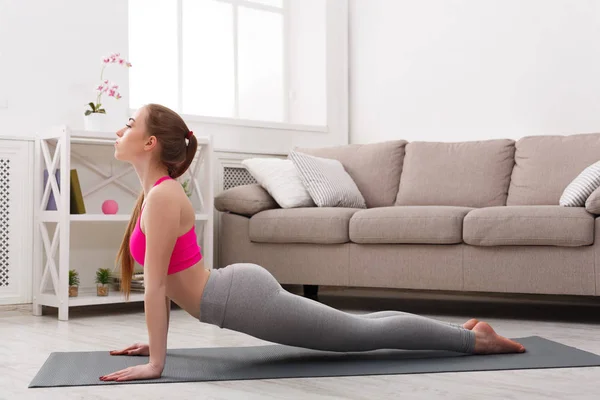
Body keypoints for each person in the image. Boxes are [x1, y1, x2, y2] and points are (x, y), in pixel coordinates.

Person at [99, 104, 525, 382]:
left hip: (239, 299)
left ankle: (476, 341)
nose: (121, 129)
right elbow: (167, 282)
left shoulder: (161, 196)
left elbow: (156, 287)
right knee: (363, 326)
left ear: (150, 143)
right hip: (232, 295)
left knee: (360, 334)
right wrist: (156, 345)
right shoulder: (155, 195)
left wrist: (156, 364)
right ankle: (461, 332)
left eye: (130, 124)